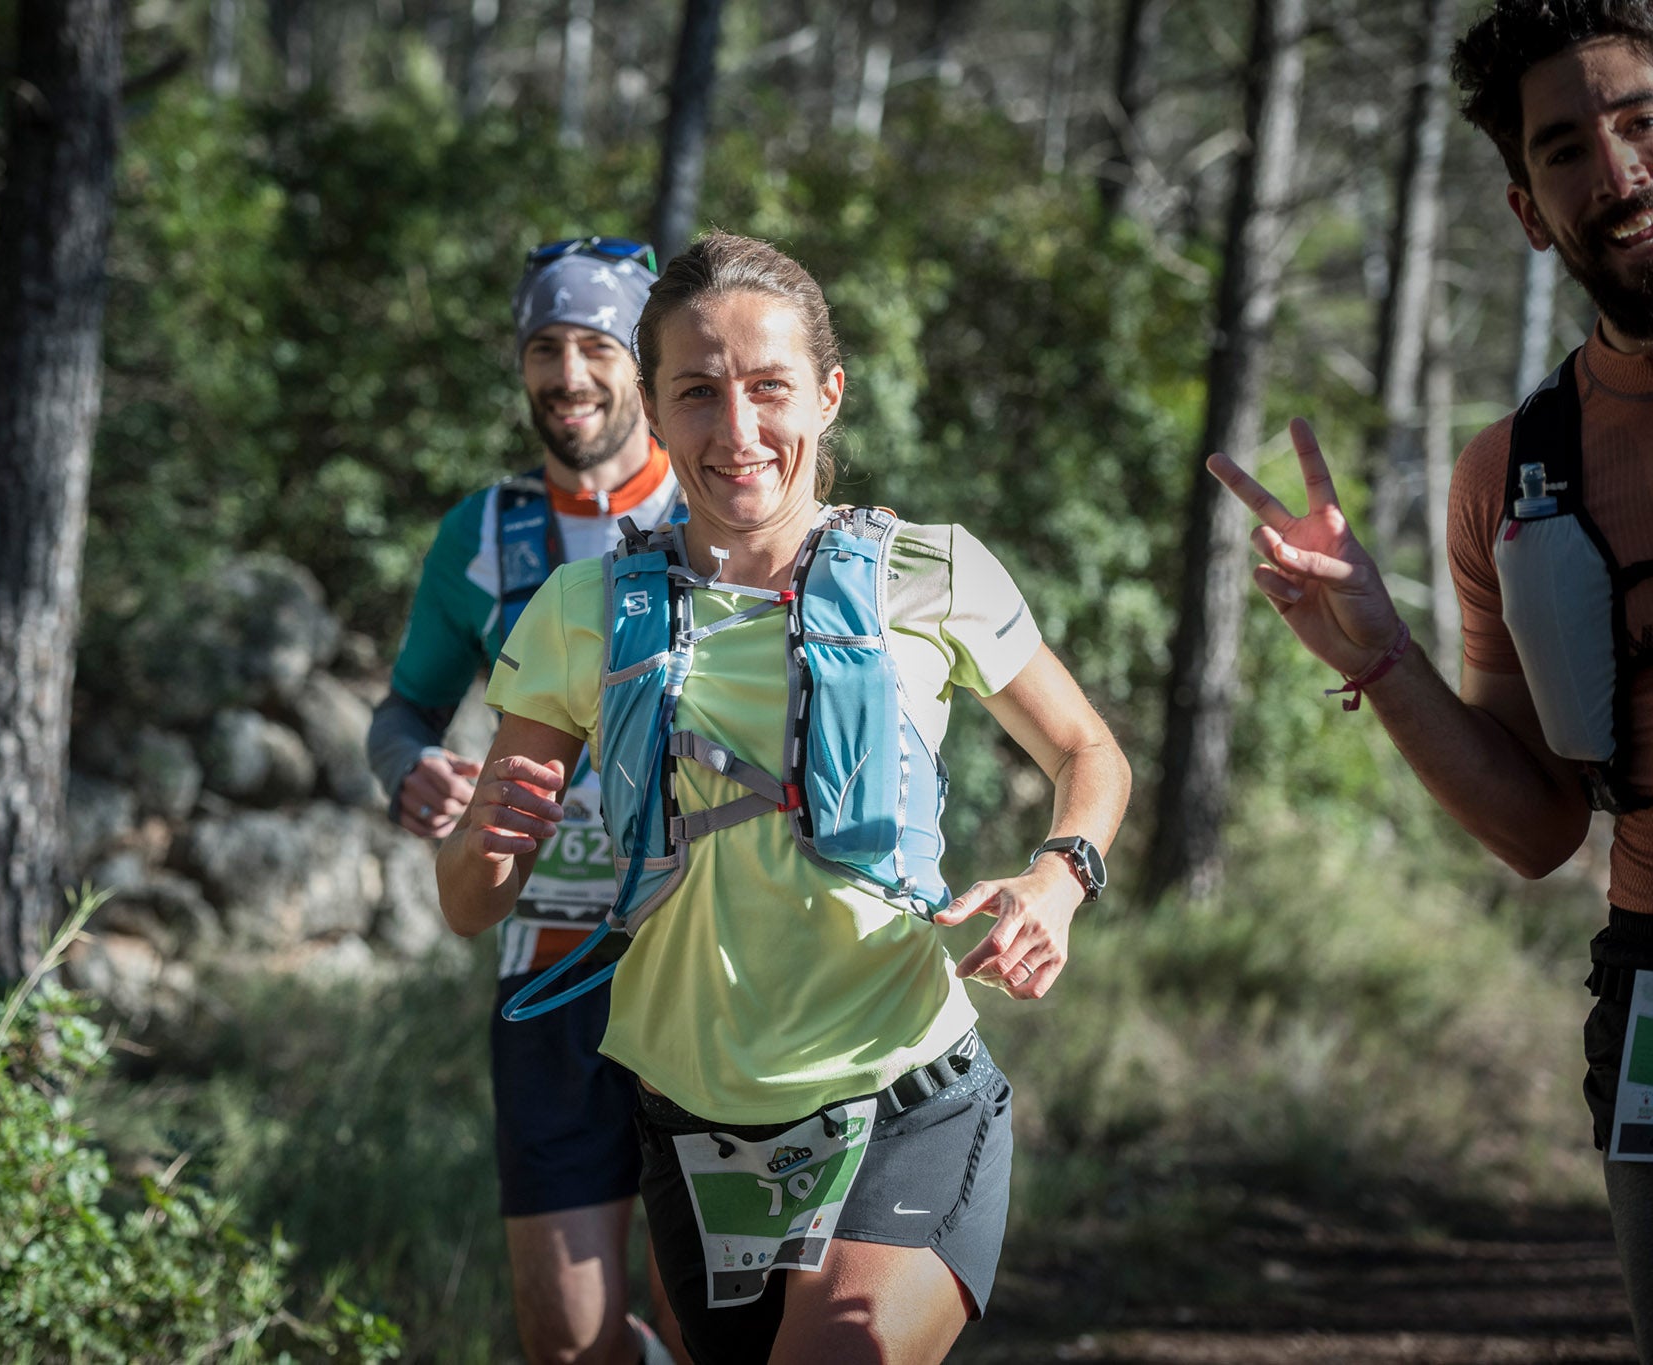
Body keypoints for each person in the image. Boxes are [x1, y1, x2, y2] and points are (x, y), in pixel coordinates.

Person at [436, 231, 1131, 1363]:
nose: (739, 430)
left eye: (769, 388)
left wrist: (1059, 877)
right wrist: (487, 844)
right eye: (698, 394)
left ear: (829, 393)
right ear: (655, 414)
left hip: (905, 1100)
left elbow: (1089, 752)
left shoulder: (930, 570)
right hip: (690, 1129)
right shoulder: (577, 610)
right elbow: (469, 902)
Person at [1207, 3, 1653, 1354]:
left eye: (1642, 123)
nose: (1618, 173)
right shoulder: (1518, 474)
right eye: (1570, 149)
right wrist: (1383, 659)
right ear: (1530, 211)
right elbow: (1537, 827)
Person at [366, 236, 685, 1365]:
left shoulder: (719, 512)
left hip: (704, 966)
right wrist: (409, 767)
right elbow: (401, 712)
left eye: (596, 345)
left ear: (642, 361)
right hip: (547, 974)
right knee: (565, 1346)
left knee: (713, 1330)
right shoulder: (483, 535)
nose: (567, 375)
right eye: (543, 347)